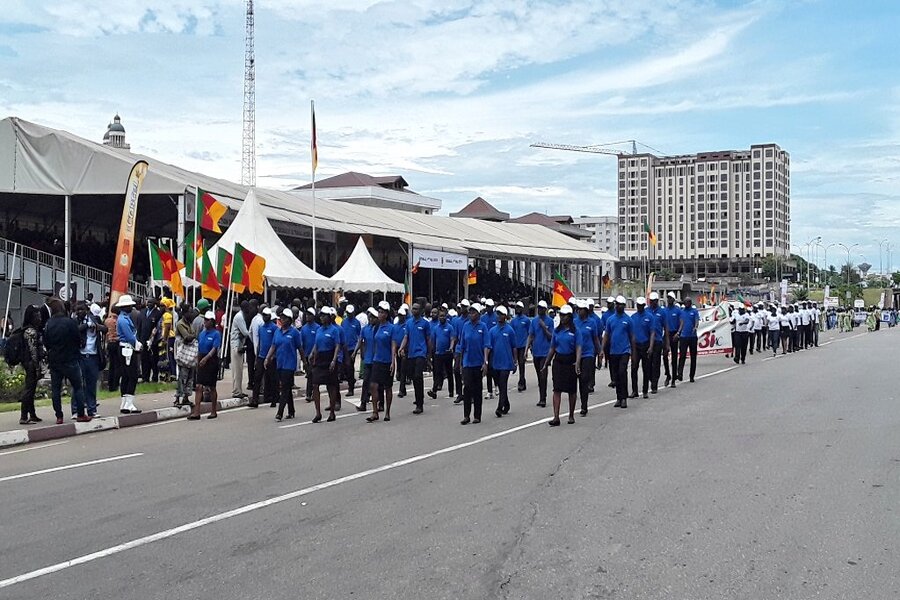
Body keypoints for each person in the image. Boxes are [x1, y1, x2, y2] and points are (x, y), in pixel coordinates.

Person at [43, 297, 89, 423]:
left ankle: (59, 416)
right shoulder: (70, 322)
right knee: (77, 386)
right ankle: (80, 414)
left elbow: (46, 342)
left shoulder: (49, 324)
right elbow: (77, 339)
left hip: (55, 360)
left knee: (56, 389)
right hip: (70, 358)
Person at [543, 304, 581, 426]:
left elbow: (578, 348)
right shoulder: (557, 331)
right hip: (559, 361)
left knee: (571, 390)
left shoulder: (575, 331)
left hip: (570, 361)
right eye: (561, 315)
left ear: (570, 317)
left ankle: (571, 415)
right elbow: (552, 348)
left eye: (565, 315)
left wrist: (578, 362)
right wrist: (546, 363)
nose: (563, 317)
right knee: (557, 389)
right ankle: (556, 417)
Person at [267, 308, 303, 421]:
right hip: (280, 363)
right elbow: (273, 346)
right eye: (281, 318)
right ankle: (291, 410)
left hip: (289, 365)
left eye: (284, 318)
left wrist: (305, 362)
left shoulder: (295, 333)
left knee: (285, 388)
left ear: (289, 320)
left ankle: (280, 412)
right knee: (286, 388)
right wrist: (267, 357)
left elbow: (300, 348)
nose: (281, 320)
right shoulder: (277, 331)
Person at [455, 303, 489, 425]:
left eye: (474, 312)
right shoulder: (465, 326)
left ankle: (477, 415)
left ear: (479, 314)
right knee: (467, 388)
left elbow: (486, 345)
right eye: (470, 312)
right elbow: (462, 346)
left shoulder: (483, 327)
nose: (471, 314)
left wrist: (485, 362)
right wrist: (460, 364)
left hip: (478, 362)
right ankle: (466, 415)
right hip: (467, 362)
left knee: (477, 389)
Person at [310, 307, 343, 423]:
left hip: (329, 357)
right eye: (321, 315)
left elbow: (337, 346)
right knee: (315, 384)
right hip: (320, 358)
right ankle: (318, 413)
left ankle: (332, 411)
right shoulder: (319, 330)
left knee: (331, 386)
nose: (322, 317)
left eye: (324, 315)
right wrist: (312, 354)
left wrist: (334, 360)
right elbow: (316, 344)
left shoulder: (334, 330)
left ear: (329, 317)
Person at [399, 302, 432, 415]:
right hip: (411, 354)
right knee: (413, 377)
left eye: (416, 309)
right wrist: (401, 347)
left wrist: (428, 354)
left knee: (418, 376)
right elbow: (406, 337)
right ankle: (418, 398)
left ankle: (420, 403)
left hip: (421, 353)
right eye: (413, 309)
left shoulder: (425, 323)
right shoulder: (408, 323)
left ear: (421, 311)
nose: (414, 310)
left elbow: (428, 339)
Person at [76, 301, 107, 418]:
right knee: (78, 384)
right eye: (77, 310)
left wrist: (96, 326)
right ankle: (76, 410)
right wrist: (86, 326)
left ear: (87, 310)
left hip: (93, 355)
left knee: (91, 384)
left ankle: (92, 409)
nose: (80, 312)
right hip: (81, 355)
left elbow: (105, 329)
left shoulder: (94, 319)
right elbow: (75, 330)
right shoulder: (75, 321)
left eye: (82, 310)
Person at [188, 311, 221, 421]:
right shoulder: (202, 333)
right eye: (205, 320)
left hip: (211, 361)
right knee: (198, 386)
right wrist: (198, 360)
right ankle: (196, 412)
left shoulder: (216, 334)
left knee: (211, 387)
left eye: (207, 320)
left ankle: (213, 410)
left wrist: (206, 359)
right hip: (201, 359)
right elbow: (199, 347)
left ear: (212, 322)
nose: (205, 322)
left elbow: (214, 348)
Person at [367, 301, 396, 422]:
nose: (379, 314)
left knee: (387, 387)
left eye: (382, 312)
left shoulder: (391, 328)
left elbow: (393, 345)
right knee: (373, 385)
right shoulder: (376, 327)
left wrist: (393, 362)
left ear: (387, 314)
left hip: (387, 361)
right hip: (377, 360)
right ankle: (375, 412)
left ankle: (387, 412)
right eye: (379, 312)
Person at [115, 295, 142, 414]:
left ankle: (125, 402)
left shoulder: (124, 318)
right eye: (130, 306)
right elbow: (130, 336)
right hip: (127, 348)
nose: (132, 307)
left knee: (126, 376)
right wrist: (138, 345)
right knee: (132, 375)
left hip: (125, 348)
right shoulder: (123, 320)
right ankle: (129, 403)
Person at [604, 296, 633, 408]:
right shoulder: (610, 319)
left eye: (620, 304)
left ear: (624, 306)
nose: (618, 306)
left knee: (622, 372)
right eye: (617, 304)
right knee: (616, 376)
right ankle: (618, 397)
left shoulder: (628, 320)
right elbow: (606, 334)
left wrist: (633, 352)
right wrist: (602, 348)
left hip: (624, 351)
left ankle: (624, 397)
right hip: (613, 351)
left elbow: (632, 337)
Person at [488, 305, 516, 418]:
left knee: (503, 384)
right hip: (495, 362)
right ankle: (506, 403)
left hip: (506, 362)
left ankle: (500, 407)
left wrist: (515, 362)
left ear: (505, 316)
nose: (499, 316)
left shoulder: (509, 330)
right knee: (500, 385)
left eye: (501, 314)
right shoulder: (492, 331)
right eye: (498, 314)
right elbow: (489, 347)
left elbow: (514, 347)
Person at [18, 305, 44, 425]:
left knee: (32, 389)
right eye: (37, 316)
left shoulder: (29, 330)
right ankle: (24, 416)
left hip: (28, 363)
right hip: (31, 364)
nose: (39, 318)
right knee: (29, 389)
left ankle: (32, 414)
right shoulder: (31, 332)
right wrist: (37, 367)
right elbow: (33, 351)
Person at [526, 300, 553, 408]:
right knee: (539, 375)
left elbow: (551, 337)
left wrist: (543, 327)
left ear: (545, 309)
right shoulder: (534, 321)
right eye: (539, 308)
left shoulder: (550, 321)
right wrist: (526, 349)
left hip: (545, 352)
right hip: (536, 352)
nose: (540, 310)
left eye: (542, 308)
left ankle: (543, 398)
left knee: (543, 375)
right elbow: (531, 335)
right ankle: (542, 393)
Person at [574, 300, 600, 416]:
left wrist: (600, 352)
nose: (579, 311)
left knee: (584, 378)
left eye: (581, 309)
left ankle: (584, 406)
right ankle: (579, 400)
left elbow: (595, 339)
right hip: (576, 355)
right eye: (578, 309)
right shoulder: (574, 322)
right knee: (578, 379)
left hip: (588, 354)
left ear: (586, 311)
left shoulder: (592, 323)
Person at [251, 307, 278, 409]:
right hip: (261, 356)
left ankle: (274, 399)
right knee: (257, 378)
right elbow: (259, 344)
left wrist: (273, 356)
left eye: (266, 315)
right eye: (263, 315)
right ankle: (255, 400)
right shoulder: (261, 328)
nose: (264, 317)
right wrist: (256, 357)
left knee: (272, 378)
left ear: (270, 316)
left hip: (270, 357)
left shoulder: (274, 328)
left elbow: (275, 343)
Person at [629, 297, 655, 400]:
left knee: (646, 369)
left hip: (645, 344)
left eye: (641, 305)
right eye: (638, 305)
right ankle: (634, 391)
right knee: (634, 368)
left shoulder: (649, 317)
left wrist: (651, 346)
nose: (639, 307)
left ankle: (645, 391)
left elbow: (652, 332)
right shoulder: (633, 317)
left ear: (644, 306)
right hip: (635, 346)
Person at [428, 307, 456, 400]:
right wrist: (432, 351)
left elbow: (452, 339)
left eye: (443, 316)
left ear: (446, 316)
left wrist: (451, 348)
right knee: (437, 372)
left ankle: (451, 391)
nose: (441, 318)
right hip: (438, 353)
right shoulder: (436, 328)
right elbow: (433, 341)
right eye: (440, 316)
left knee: (449, 373)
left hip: (447, 353)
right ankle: (434, 390)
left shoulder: (450, 327)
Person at [174, 306, 197, 407]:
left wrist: (193, 335)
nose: (191, 314)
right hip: (183, 353)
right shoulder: (180, 324)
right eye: (190, 312)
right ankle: (177, 399)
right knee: (182, 377)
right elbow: (187, 337)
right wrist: (194, 335)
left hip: (190, 354)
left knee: (190, 377)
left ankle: (186, 398)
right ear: (185, 313)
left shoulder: (189, 323)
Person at [358, 307, 380, 412]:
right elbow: (361, 341)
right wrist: (357, 352)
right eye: (369, 317)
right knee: (366, 381)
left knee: (376, 382)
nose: (371, 319)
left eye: (373, 317)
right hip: (367, 359)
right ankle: (363, 402)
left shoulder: (379, 329)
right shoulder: (365, 329)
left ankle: (380, 403)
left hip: (377, 359)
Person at [230, 300, 251, 399]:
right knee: (237, 371)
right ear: (244, 308)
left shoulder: (241, 315)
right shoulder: (239, 317)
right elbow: (245, 332)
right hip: (236, 346)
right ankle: (236, 392)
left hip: (238, 345)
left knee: (238, 370)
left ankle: (238, 390)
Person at [646, 292, 666, 393]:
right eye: (651, 301)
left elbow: (665, 328)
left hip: (658, 341)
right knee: (648, 364)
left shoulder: (662, 312)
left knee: (656, 363)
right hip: (648, 341)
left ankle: (655, 384)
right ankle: (651, 378)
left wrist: (667, 344)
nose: (652, 303)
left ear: (657, 301)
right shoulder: (646, 311)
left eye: (654, 301)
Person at [676, 297, 700, 383]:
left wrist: (695, 327)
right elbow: (680, 322)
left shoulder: (694, 311)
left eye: (688, 302)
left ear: (690, 302)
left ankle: (691, 376)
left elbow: (697, 320)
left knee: (693, 357)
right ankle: (680, 374)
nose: (686, 303)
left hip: (692, 337)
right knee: (682, 356)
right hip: (683, 336)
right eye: (685, 302)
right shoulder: (681, 311)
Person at [340, 304, 361, 397]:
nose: (349, 314)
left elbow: (359, 336)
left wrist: (356, 349)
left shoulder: (356, 323)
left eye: (350, 313)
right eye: (347, 313)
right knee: (345, 368)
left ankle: (351, 388)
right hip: (344, 347)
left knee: (350, 367)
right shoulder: (344, 322)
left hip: (352, 348)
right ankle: (350, 383)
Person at [299, 307, 319, 402]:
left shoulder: (317, 328)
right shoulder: (303, 329)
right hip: (307, 355)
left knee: (313, 375)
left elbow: (318, 342)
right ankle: (309, 393)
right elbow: (301, 344)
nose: (307, 316)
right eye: (306, 314)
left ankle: (312, 393)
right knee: (309, 375)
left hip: (316, 355)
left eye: (309, 314)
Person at [662, 293, 682, 388]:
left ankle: (674, 378)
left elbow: (682, 322)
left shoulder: (677, 310)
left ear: (673, 299)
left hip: (674, 334)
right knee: (665, 355)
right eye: (668, 298)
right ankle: (668, 374)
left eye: (670, 298)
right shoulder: (664, 310)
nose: (668, 299)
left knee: (674, 358)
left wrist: (678, 333)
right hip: (666, 334)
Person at [510, 301, 531, 392]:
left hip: (523, 345)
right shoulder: (513, 321)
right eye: (516, 307)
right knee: (515, 363)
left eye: (519, 307)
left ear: (522, 309)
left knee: (522, 364)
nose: (517, 309)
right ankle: (522, 380)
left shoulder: (526, 320)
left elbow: (530, 333)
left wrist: (528, 346)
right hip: (515, 346)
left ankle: (521, 381)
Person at [393, 306, 409, 398]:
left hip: (405, 350)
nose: (400, 317)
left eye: (402, 315)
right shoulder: (395, 326)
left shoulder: (407, 325)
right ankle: (403, 388)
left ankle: (401, 389)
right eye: (399, 315)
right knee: (399, 370)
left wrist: (404, 348)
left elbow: (407, 338)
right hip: (397, 348)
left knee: (403, 369)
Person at [104, 307, 121, 392]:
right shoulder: (117, 321)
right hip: (116, 342)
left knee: (111, 364)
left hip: (109, 342)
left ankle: (110, 384)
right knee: (117, 365)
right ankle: (115, 384)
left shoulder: (107, 320)